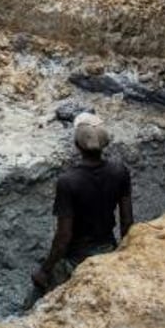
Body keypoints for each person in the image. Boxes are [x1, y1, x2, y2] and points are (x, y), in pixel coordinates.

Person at [31, 113, 133, 298]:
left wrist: (45, 270)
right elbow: (127, 220)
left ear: (77, 145)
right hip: (108, 248)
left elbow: (64, 236)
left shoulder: (68, 181)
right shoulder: (120, 171)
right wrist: (123, 255)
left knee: (39, 298)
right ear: (105, 143)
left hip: (77, 258)